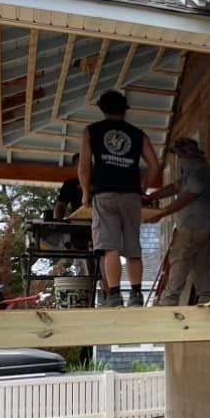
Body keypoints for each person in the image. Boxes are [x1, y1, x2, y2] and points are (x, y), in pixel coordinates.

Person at [79, 90, 161, 308]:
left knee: (110, 247)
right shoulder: (137, 134)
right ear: (125, 110)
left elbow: (84, 167)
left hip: (104, 194)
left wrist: (86, 193)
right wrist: (142, 188)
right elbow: (155, 165)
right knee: (133, 247)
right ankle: (136, 295)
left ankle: (114, 295)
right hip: (131, 195)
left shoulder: (91, 131)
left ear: (102, 109)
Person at [146, 138, 210, 306]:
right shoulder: (191, 171)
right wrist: (151, 196)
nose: (179, 159)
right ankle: (207, 297)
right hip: (204, 226)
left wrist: (162, 213)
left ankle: (169, 301)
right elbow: (175, 187)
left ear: (187, 155)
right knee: (200, 262)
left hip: (193, 225)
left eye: (180, 155)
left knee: (179, 258)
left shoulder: (199, 171)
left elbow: (187, 197)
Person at [54, 153, 83, 219]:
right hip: (78, 221)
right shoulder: (70, 184)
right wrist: (57, 222)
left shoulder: (101, 182)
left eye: (88, 163)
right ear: (75, 167)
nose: (85, 166)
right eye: (80, 164)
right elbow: (61, 204)